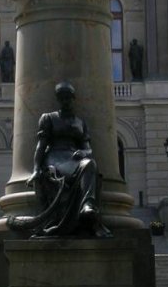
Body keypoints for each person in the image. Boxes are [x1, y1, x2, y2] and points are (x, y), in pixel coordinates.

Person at [9, 81, 110, 237]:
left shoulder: (80, 122)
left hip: (74, 156)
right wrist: (36, 170)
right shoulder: (48, 118)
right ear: (58, 99)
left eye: (68, 97)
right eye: (62, 97)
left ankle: (88, 207)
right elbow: (41, 146)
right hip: (55, 158)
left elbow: (88, 148)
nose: (66, 101)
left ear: (73, 99)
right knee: (85, 166)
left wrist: (84, 153)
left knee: (90, 163)